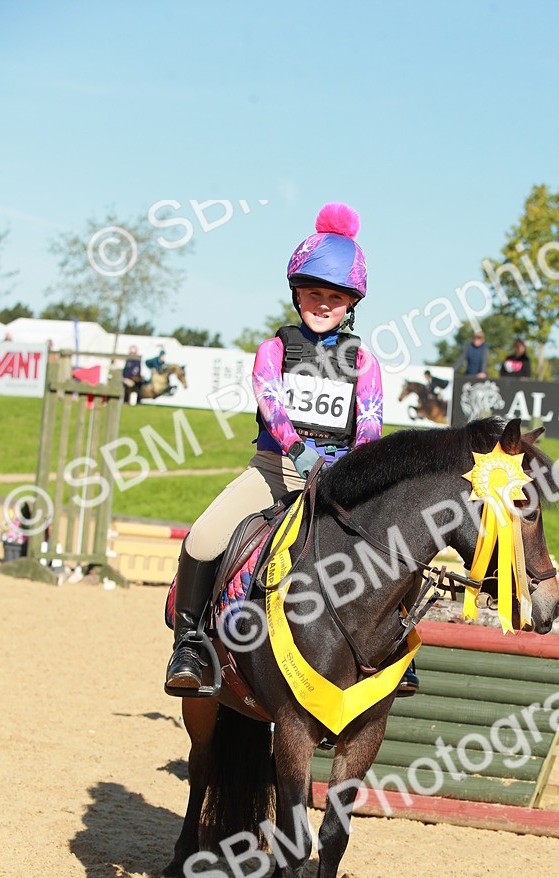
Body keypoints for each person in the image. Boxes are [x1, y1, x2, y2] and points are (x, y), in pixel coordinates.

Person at [166, 203, 401, 693]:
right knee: (203, 539)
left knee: (394, 544)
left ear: (350, 303)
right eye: (314, 293)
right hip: (276, 471)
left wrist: (352, 468)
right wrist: (297, 450)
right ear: (297, 295)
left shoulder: (365, 362)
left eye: (334, 296)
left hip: (340, 480)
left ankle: (394, 645)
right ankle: (189, 644)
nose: (323, 303)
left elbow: (370, 424)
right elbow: (271, 404)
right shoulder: (273, 351)